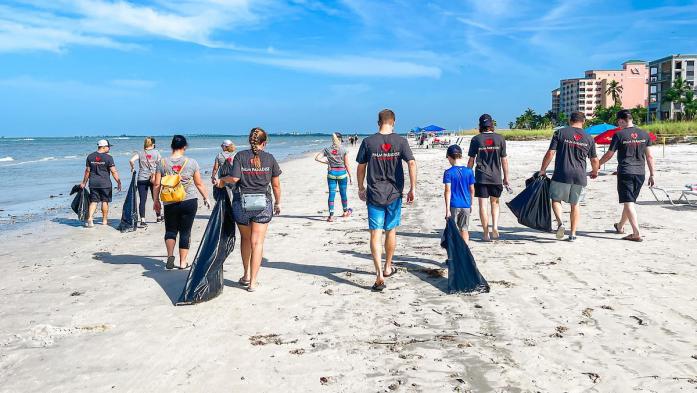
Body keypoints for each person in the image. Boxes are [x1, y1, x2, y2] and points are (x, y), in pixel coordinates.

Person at [356, 109, 417, 292]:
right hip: (394, 193)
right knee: (391, 230)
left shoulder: (368, 142)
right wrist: (413, 188)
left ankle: (379, 275)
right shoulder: (401, 141)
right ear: (394, 122)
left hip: (375, 193)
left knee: (375, 233)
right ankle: (388, 267)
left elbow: (361, 167)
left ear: (378, 122)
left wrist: (361, 187)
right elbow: (412, 163)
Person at [218, 128, 282, 292]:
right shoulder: (270, 158)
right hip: (263, 204)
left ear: (250, 141)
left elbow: (234, 178)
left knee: (246, 240)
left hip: (241, 204)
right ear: (264, 142)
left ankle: (246, 275)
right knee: (257, 242)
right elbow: (275, 185)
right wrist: (278, 203)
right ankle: (253, 282)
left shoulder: (240, 156)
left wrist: (222, 180)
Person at [537, 112, 599, 241]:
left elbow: (551, 153)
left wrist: (542, 170)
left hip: (561, 173)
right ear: (584, 122)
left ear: (570, 120)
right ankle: (573, 234)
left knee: (555, 199)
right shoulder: (589, 138)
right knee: (575, 205)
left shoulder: (560, 133)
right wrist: (594, 172)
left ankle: (560, 223)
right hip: (580, 176)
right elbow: (594, 159)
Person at [153, 135, 210, 270]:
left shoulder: (162, 162)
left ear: (171, 146)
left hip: (169, 201)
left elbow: (156, 184)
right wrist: (206, 197)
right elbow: (199, 183)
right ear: (184, 146)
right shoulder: (191, 162)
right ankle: (183, 262)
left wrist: (156, 201)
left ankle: (170, 257)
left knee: (171, 230)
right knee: (185, 231)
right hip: (189, 200)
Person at [598, 109, 656, 242]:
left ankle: (636, 233)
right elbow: (649, 156)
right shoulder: (645, 134)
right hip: (640, 173)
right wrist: (652, 174)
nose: (618, 125)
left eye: (619, 122)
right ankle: (620, 226)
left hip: (625, 171)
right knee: (629, 201)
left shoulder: (619, 135)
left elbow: (609, 154)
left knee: (628, 202)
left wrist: (598, 164)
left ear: (622, 121)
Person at [467, 114, 509, 241]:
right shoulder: (500, 138)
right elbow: (504, 160)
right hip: (496, 177)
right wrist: (506, 178)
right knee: (495, 203)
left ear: (480, 125)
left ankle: (485, 233)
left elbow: (471, 161)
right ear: (491, 125)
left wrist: (468, 176)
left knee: (483, 205)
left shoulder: (476, 139)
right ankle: (495, 227)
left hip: (481, 177)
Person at [80, 139, 122, 228]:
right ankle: (104, 221)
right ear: (103, 147)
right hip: (105, 183)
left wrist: (84, 182)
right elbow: (113, 171)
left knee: (94, 201)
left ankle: (90, 219)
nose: (109, 148)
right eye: (108, 146)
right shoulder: (108, 157)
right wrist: (118, 181)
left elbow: (87, 171)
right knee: (105, 201)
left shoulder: (90, 156)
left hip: (93, 183)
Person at [314, 133, 353, 222]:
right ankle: (345, 212)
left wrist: (327, 163)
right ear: (340, 139)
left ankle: (331, 216)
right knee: (343, 193)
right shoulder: (343, 149)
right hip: (342, 174)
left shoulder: (327, 149)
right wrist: (350, 176)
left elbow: (317, 158)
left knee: (332, 194)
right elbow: (347, 164)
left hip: (331, 173)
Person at [443, 145, 476, 244]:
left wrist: (447, 209)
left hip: (454, 205)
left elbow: (447, 191)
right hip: (466, 204)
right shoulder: (469, 171)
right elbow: (472, 190)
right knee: (464, 229)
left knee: (452, 231)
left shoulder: (448, 172)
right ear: (460, 156)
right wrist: (471, 204)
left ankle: (453, 255)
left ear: (449, 157)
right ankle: (465, 254)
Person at [129, 137, 162, 226]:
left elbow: (131, 160)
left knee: (142, 200)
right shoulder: (156, 152)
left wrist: (132, 168)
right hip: (154, 178)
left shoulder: (140, 153)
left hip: (141, 178)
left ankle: (143, 220)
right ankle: (158, 217)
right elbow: (160, 164)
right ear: (153, 144)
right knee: (155, 198)